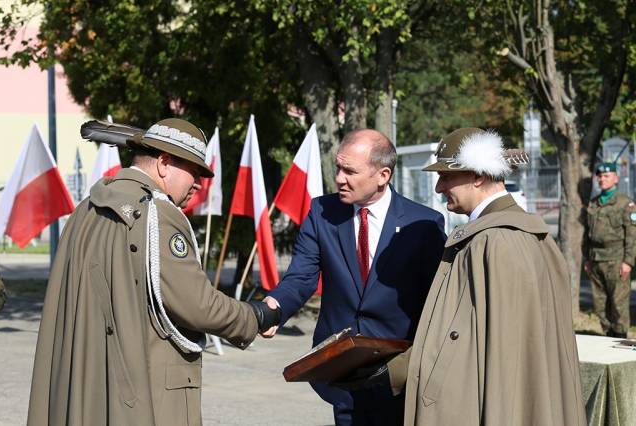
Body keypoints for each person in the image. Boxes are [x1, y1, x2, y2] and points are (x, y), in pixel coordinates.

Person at [27, 118, 280, 426]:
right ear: (163, 163)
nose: (199, 183)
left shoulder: (87, 210)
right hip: (146, 394)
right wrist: (255, 316)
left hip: (91, 386)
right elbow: (198, 306)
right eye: (194, 171)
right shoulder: (157, 214)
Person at [344, 128, 586, 425]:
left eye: (446, 177)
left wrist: (392, 372)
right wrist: (393, 370)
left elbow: (464, 347)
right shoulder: (531, 236)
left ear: (478, 177)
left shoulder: (492, 242)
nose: (439, 188)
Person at [263, 129, 446, 425]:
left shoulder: (423, 224)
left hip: (397, 374)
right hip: (340, 371)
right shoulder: (321, 212)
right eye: (338, 168)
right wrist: (272, 309)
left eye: (349, 171)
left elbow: (437, 300)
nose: (339, 178)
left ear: (383, 175)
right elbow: (301, 278)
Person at [584, 162, 636, 338]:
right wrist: (587, 260)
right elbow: (587, 235)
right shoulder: (593, 203)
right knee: (600, 304)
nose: (602, 179)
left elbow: (632, 234)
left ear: (616, 178)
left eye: (606, 176)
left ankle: (620, 338)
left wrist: (628, 261)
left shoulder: (625, 203)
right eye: (599, 176)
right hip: (596, 259)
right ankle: (608, 337)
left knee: (618, 303)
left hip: (616, 260)